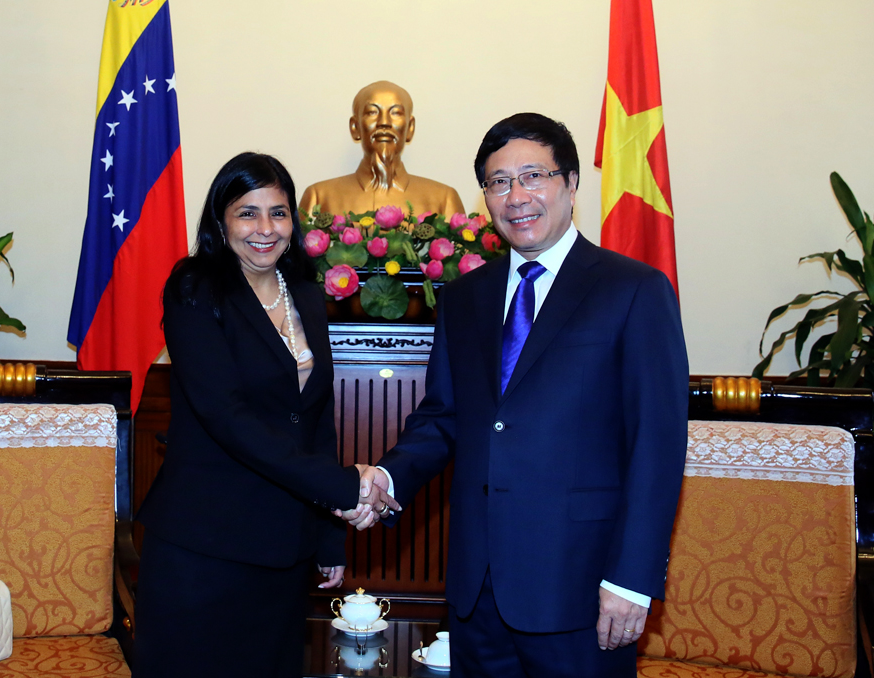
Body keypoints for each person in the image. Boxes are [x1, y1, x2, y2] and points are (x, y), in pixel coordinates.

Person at [344, 113, 689, 677]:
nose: (516, 196)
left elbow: (657, 446)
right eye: (499, 182)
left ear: (571, 183)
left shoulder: (634, 290)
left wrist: (632, 579)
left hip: (583, 589)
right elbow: (443, 417)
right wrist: (386, 478)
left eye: (533, 176)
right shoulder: (464, 297)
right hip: (477, 591)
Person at [133, 152, 399, 677]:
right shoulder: (194, 288)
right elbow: (226, 416)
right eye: (247, 213)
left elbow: (316, 419)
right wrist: (346, 486)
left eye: (278, 213)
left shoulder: (306, 294)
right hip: (205, 544)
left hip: (284, 547)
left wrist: (329, 537)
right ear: (221, 220)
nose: (265, 228)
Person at [299, 80, 465, 217]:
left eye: (396, 113)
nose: (384, 122)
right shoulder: (319, 198)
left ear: (410, 128)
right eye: (372, 112)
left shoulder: (444, 200)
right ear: (355, 127)